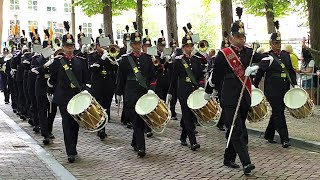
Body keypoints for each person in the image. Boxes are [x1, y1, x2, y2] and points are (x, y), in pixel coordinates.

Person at [204, 7, 272, 175]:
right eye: (238, 36)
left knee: (237, 127)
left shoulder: (249, 52)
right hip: (228, 97)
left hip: (244, 96)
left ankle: (228, 158)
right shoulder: (223, 54)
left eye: (243, 36)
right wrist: (208, 91)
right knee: (236, 129)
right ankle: (246, 162)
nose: (241, 39)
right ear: (231, 37)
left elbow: (269, 59)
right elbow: (215, 76)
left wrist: (256, 66)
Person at [47, 21, 90, 163]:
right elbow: (52, 79)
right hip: (64, 97)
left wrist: (86, 92)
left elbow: (86, 79)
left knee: (75, 124)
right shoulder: (57, 62)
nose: (69, 49)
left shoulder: (81, 61)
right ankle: (70, 151)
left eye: (71, 46)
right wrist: (50, 92)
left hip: (77, 97)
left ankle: (74, 147)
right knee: (66, 124)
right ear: (63, 47)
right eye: (67, 46)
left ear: (74, 47)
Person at [253, 20, 297, 148]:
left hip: (284, 87)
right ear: (271, 43)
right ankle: (285, 138)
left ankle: (269, 134)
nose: (278, 45)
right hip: (272, 89)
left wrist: (295, 84)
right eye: (275, 43)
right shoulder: (267, 56)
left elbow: (291, 72)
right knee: (279, 111)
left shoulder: (286, 55)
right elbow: (260, 72)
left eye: (279, 43)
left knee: (278, 111)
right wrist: (254, 87)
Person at [116, 22, 157, 158]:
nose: (138, 46)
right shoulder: (125, 60)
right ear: (131, 45)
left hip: (143, 93)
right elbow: (120, 78)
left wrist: (151, 89)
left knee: (141, 119)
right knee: (136, 118)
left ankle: (136, 143)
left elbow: (153, 76)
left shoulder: (147, 59)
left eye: (140, 44)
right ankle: (141, 146)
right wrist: (119, 93)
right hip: (131, 93)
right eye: (135, 44)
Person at [166, 27, 206, 151]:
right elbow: (174, 78)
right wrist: (170, 92)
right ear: (183, 48)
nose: (189, 49)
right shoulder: (178, 61)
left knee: (191, 115)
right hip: (183, 90)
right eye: (187, 47)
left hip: (193, 90)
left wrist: (200, 88)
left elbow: (200, 76)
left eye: (191, 46)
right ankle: (193, 141)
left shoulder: (196, 60)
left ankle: (183, 137)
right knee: (187, 114)